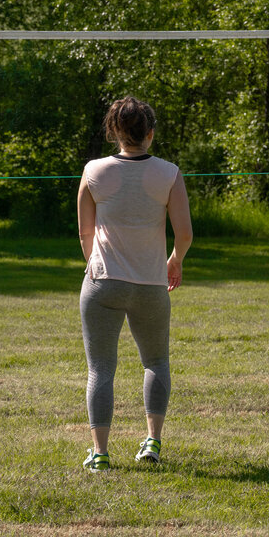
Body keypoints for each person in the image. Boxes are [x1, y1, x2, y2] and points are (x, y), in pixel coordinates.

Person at [77, 96, 192, 472]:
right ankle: (153, 442)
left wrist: (95, 263)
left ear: (115, 132)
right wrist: (175, 260)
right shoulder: (169, 173)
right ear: (151, 134)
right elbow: (185, 234)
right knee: (156, 362)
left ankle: (99, 453)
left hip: (102, 283)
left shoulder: (94, 170)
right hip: (150, 285)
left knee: (100, 370)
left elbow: (85, 230)